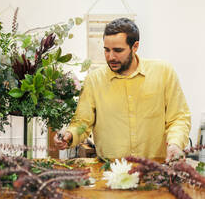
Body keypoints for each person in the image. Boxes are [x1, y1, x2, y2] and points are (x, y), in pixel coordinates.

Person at [54, 18, 191, 161]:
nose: (111, 56)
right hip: (109, 170)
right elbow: (82, 122)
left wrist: (175, 143)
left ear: (135, 46)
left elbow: (179, 117)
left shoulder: (163, 72)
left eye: (118, 50)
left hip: (156, 168)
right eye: (107, 50)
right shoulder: (94, 80)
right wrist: (69, 135)